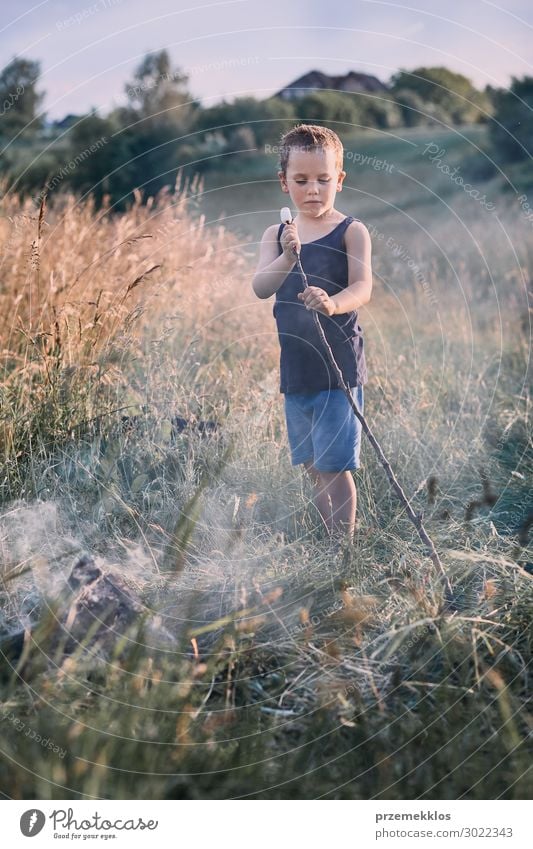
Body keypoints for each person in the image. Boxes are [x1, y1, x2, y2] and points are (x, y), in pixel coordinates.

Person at [251, 123, 373, 542]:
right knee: (311, 462)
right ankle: (328, 537)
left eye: (323, 180)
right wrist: (287, 255)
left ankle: (343, 550)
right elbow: (261, 287)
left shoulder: (351, 231)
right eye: (301, 180)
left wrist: (334, 303)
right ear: (284, 183)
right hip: (297, 368)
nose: (313, 190)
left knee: (335, 465)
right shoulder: (277, 235)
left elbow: (363, 286)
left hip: (337, 368)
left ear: (339, 179)